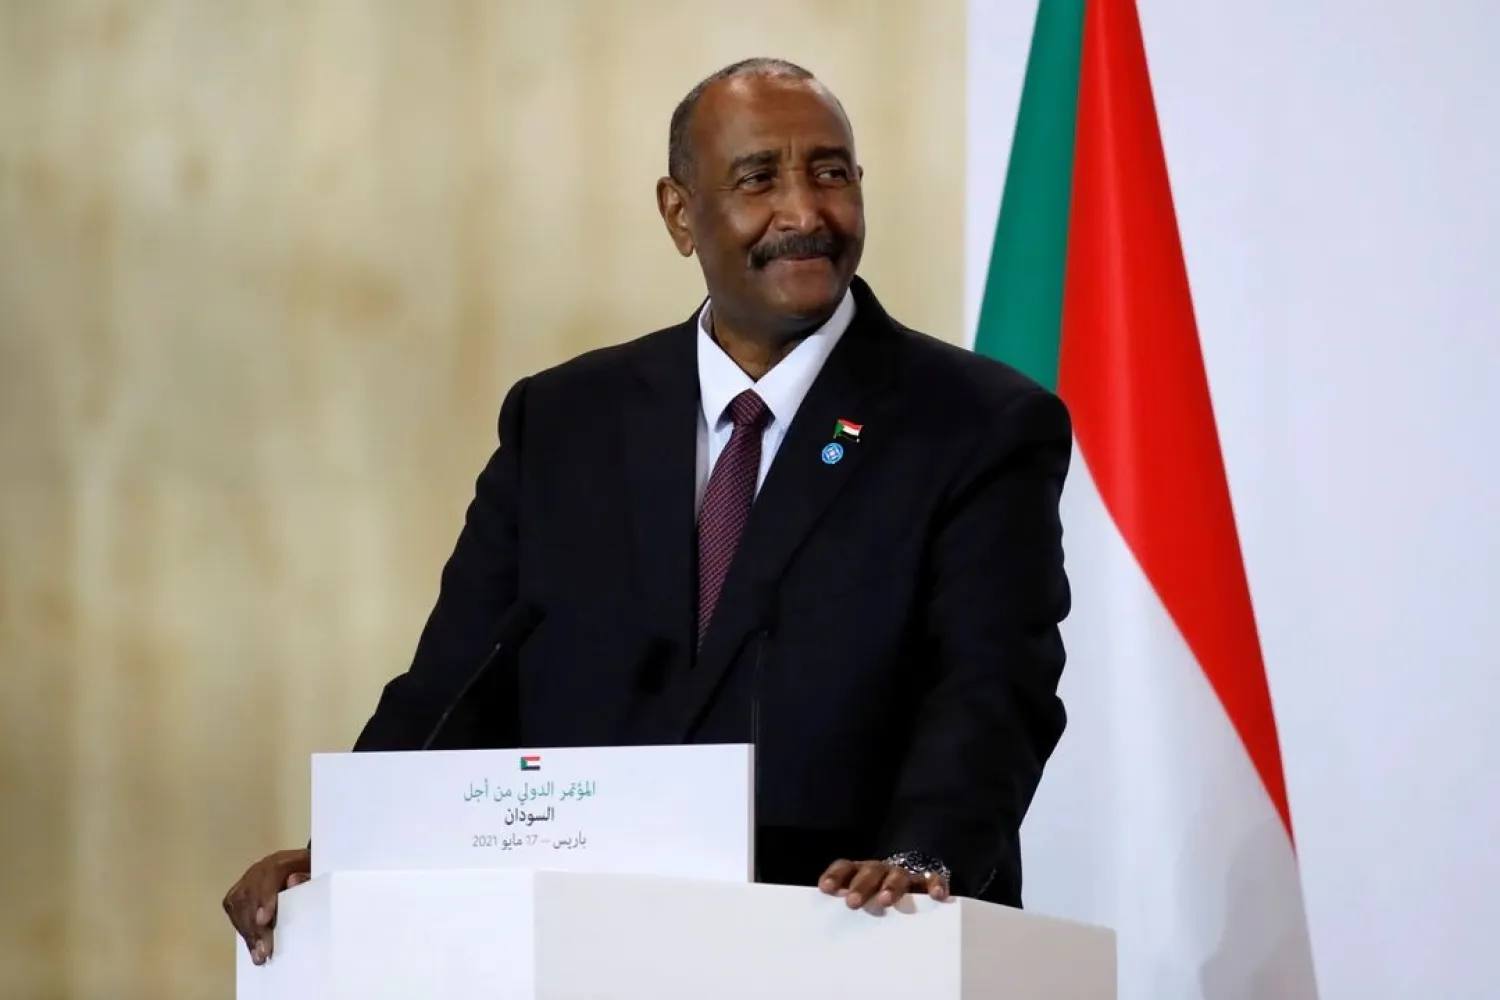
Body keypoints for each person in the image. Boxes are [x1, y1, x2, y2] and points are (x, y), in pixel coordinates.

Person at [224, 57, 1072, 965]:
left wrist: (921, 857)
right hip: (583, 945)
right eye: (759, 179)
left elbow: (992, 687)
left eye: (831, 173)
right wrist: (346, 858)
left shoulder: (976, 423)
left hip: (852, 942)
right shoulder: (562, 421)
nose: (805, 214)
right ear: (679, 213)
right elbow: (457, 682)